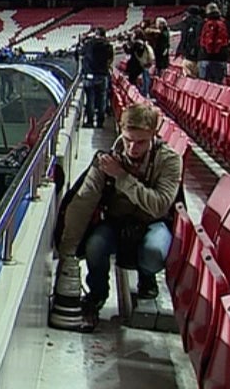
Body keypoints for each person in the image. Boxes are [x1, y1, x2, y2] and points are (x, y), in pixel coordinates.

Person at [57, 103, 181, 324]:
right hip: (116, 222)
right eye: (128, 140)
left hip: (153, 222)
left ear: (153, 134)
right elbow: (83, 203)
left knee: (154, 252)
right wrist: (68, 252)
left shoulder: (170, 160)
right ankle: (97, 293)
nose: (132, 148)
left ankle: (147, 276)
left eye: (140, 142)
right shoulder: (107, 160)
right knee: (95, 246)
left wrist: (122, 177)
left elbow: (160, 205)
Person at [80, 28, 113, 128]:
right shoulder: (108, 45)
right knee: (102, 99)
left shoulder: (88, 44)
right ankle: (100, 122)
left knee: (90, 99)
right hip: (102, 75)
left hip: (89, 75)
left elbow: (80, 53)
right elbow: (110, 59)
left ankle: (90, 121)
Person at [174, 5, 203, 78]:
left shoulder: (186, 23)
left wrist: (180, 51)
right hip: (201, 56)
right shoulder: (202, 23)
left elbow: (184, 39)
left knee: (189, 77)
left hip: (188, 56)